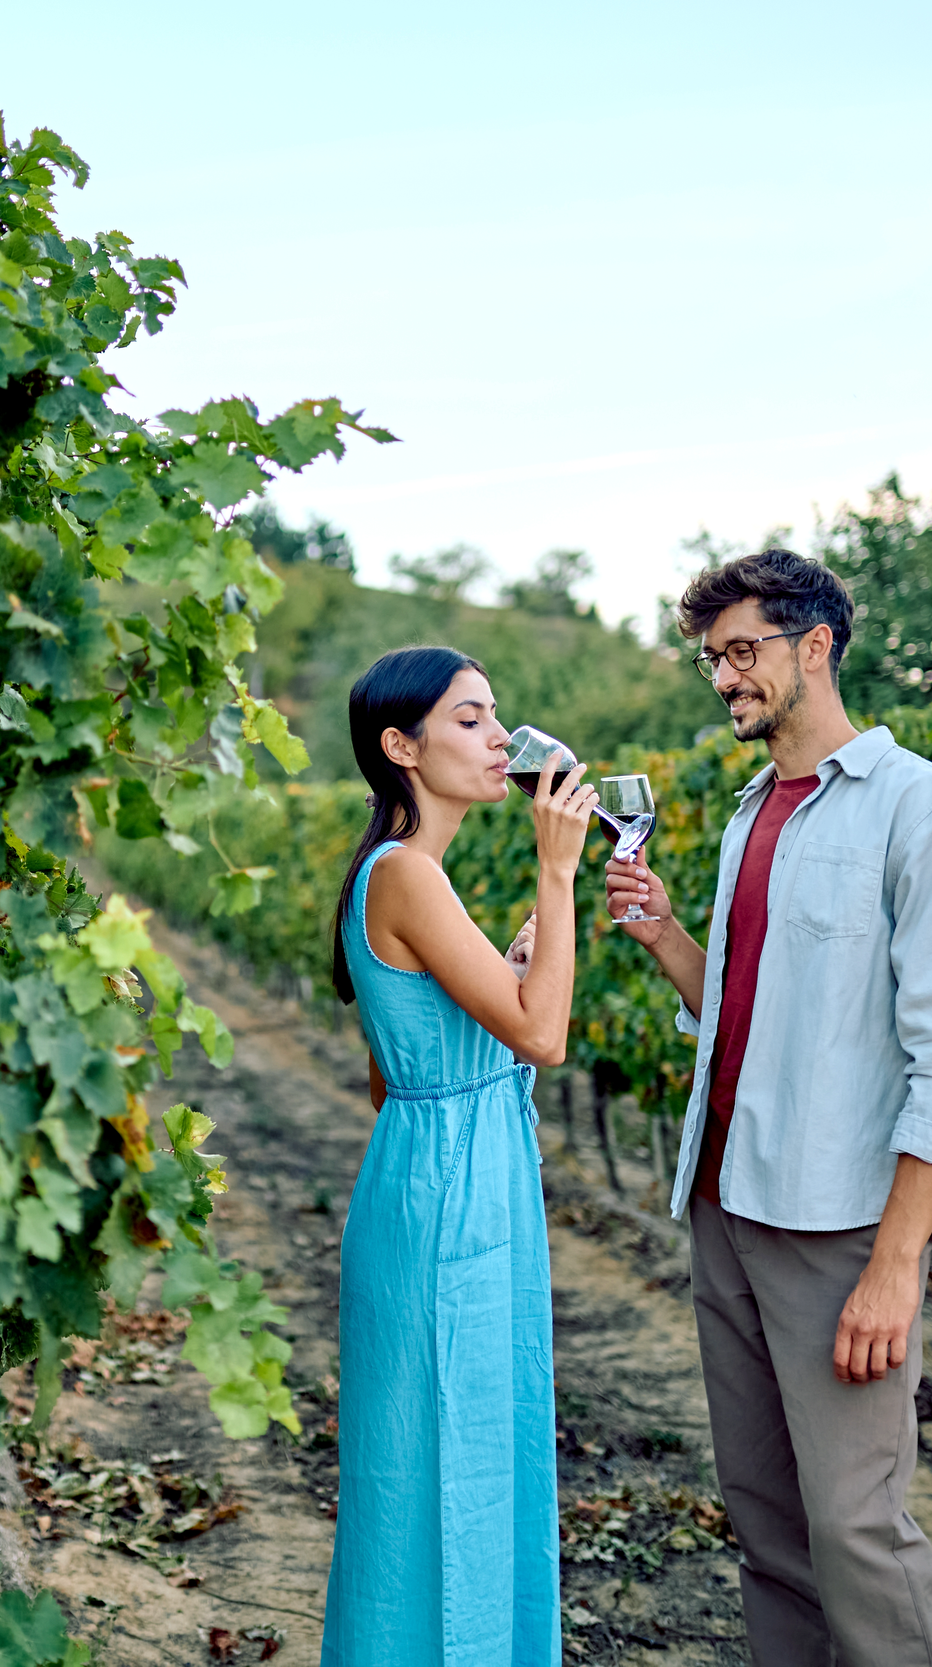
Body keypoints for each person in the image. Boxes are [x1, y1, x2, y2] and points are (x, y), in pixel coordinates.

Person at [603, 549, 932, 1666]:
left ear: (814, 645)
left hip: (837, 1225)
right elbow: (744, 1016)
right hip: (726, 1199)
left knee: (857, 1527)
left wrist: (896, 1260)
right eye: (710, 658)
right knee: (766, 1520)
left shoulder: (925, 809)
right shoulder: (752, 814)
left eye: (742, 651)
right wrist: (670, 937)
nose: (724, 677)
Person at [320, 645, 594, 1667]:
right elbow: (545, 1036)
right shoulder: (405, 873)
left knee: (455, 1454)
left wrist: (512, 973)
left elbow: (399, 1071)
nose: (498, 739)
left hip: (442, 1182)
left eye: (495, 716)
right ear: (402, 746)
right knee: (444, 1459)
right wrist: (557, 874)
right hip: (450, 1200)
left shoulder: (397, 873)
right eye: (471, 719)